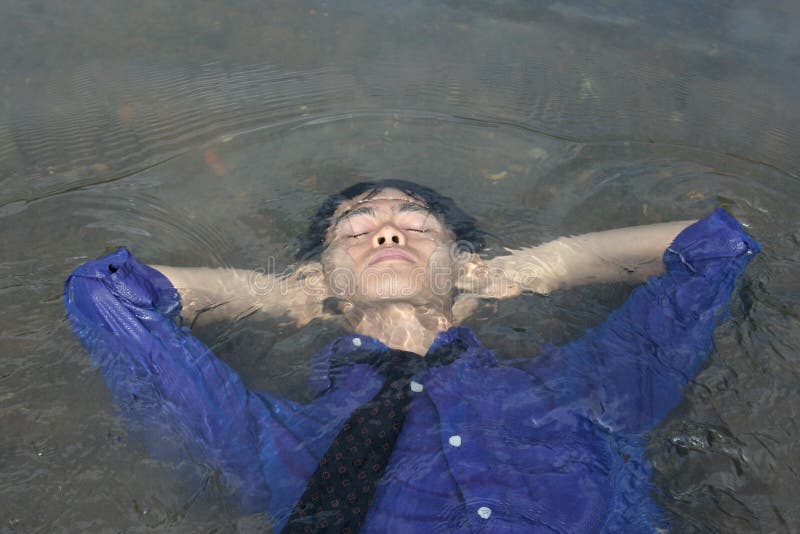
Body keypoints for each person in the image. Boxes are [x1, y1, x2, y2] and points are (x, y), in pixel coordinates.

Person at [64, 179, 759, 532]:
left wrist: (520, 272)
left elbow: (713, 249)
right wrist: (279, 296)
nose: (388, 232)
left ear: (467, 266)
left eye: (418, 226)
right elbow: (106, 293)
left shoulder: (587, 386)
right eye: (355, 230)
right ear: (319, 277)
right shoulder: (277, 444)